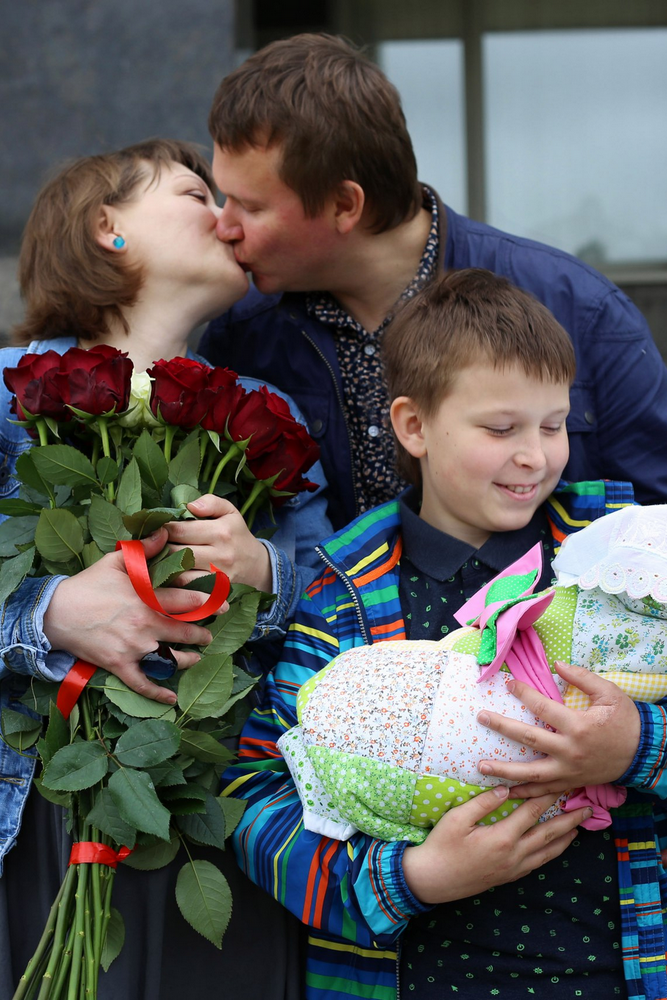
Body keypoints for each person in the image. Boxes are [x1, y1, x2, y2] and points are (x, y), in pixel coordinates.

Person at [220, 269, 663, 1000]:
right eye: (500, 428)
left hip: (619, 976)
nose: (535, 455)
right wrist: (416, 878)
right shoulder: (341, 597)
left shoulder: (627, 560)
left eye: (553, 425)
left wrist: (634, 747)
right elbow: (255, 798)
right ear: (413, 426)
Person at [0, 138, 331, 1000]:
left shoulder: (270, 414)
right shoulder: (4, 393)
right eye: (196, 192)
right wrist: (48, 613)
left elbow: (340, 604)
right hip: (39, 810)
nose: (227, 217)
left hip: (214, 807)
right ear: (107, 228)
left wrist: (262, 570)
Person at [199, 32, 667, 531]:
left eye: (249, 206)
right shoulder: (240, 335)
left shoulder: (581, 312)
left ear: (344, 205)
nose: (223, 225)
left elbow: (656, 525)